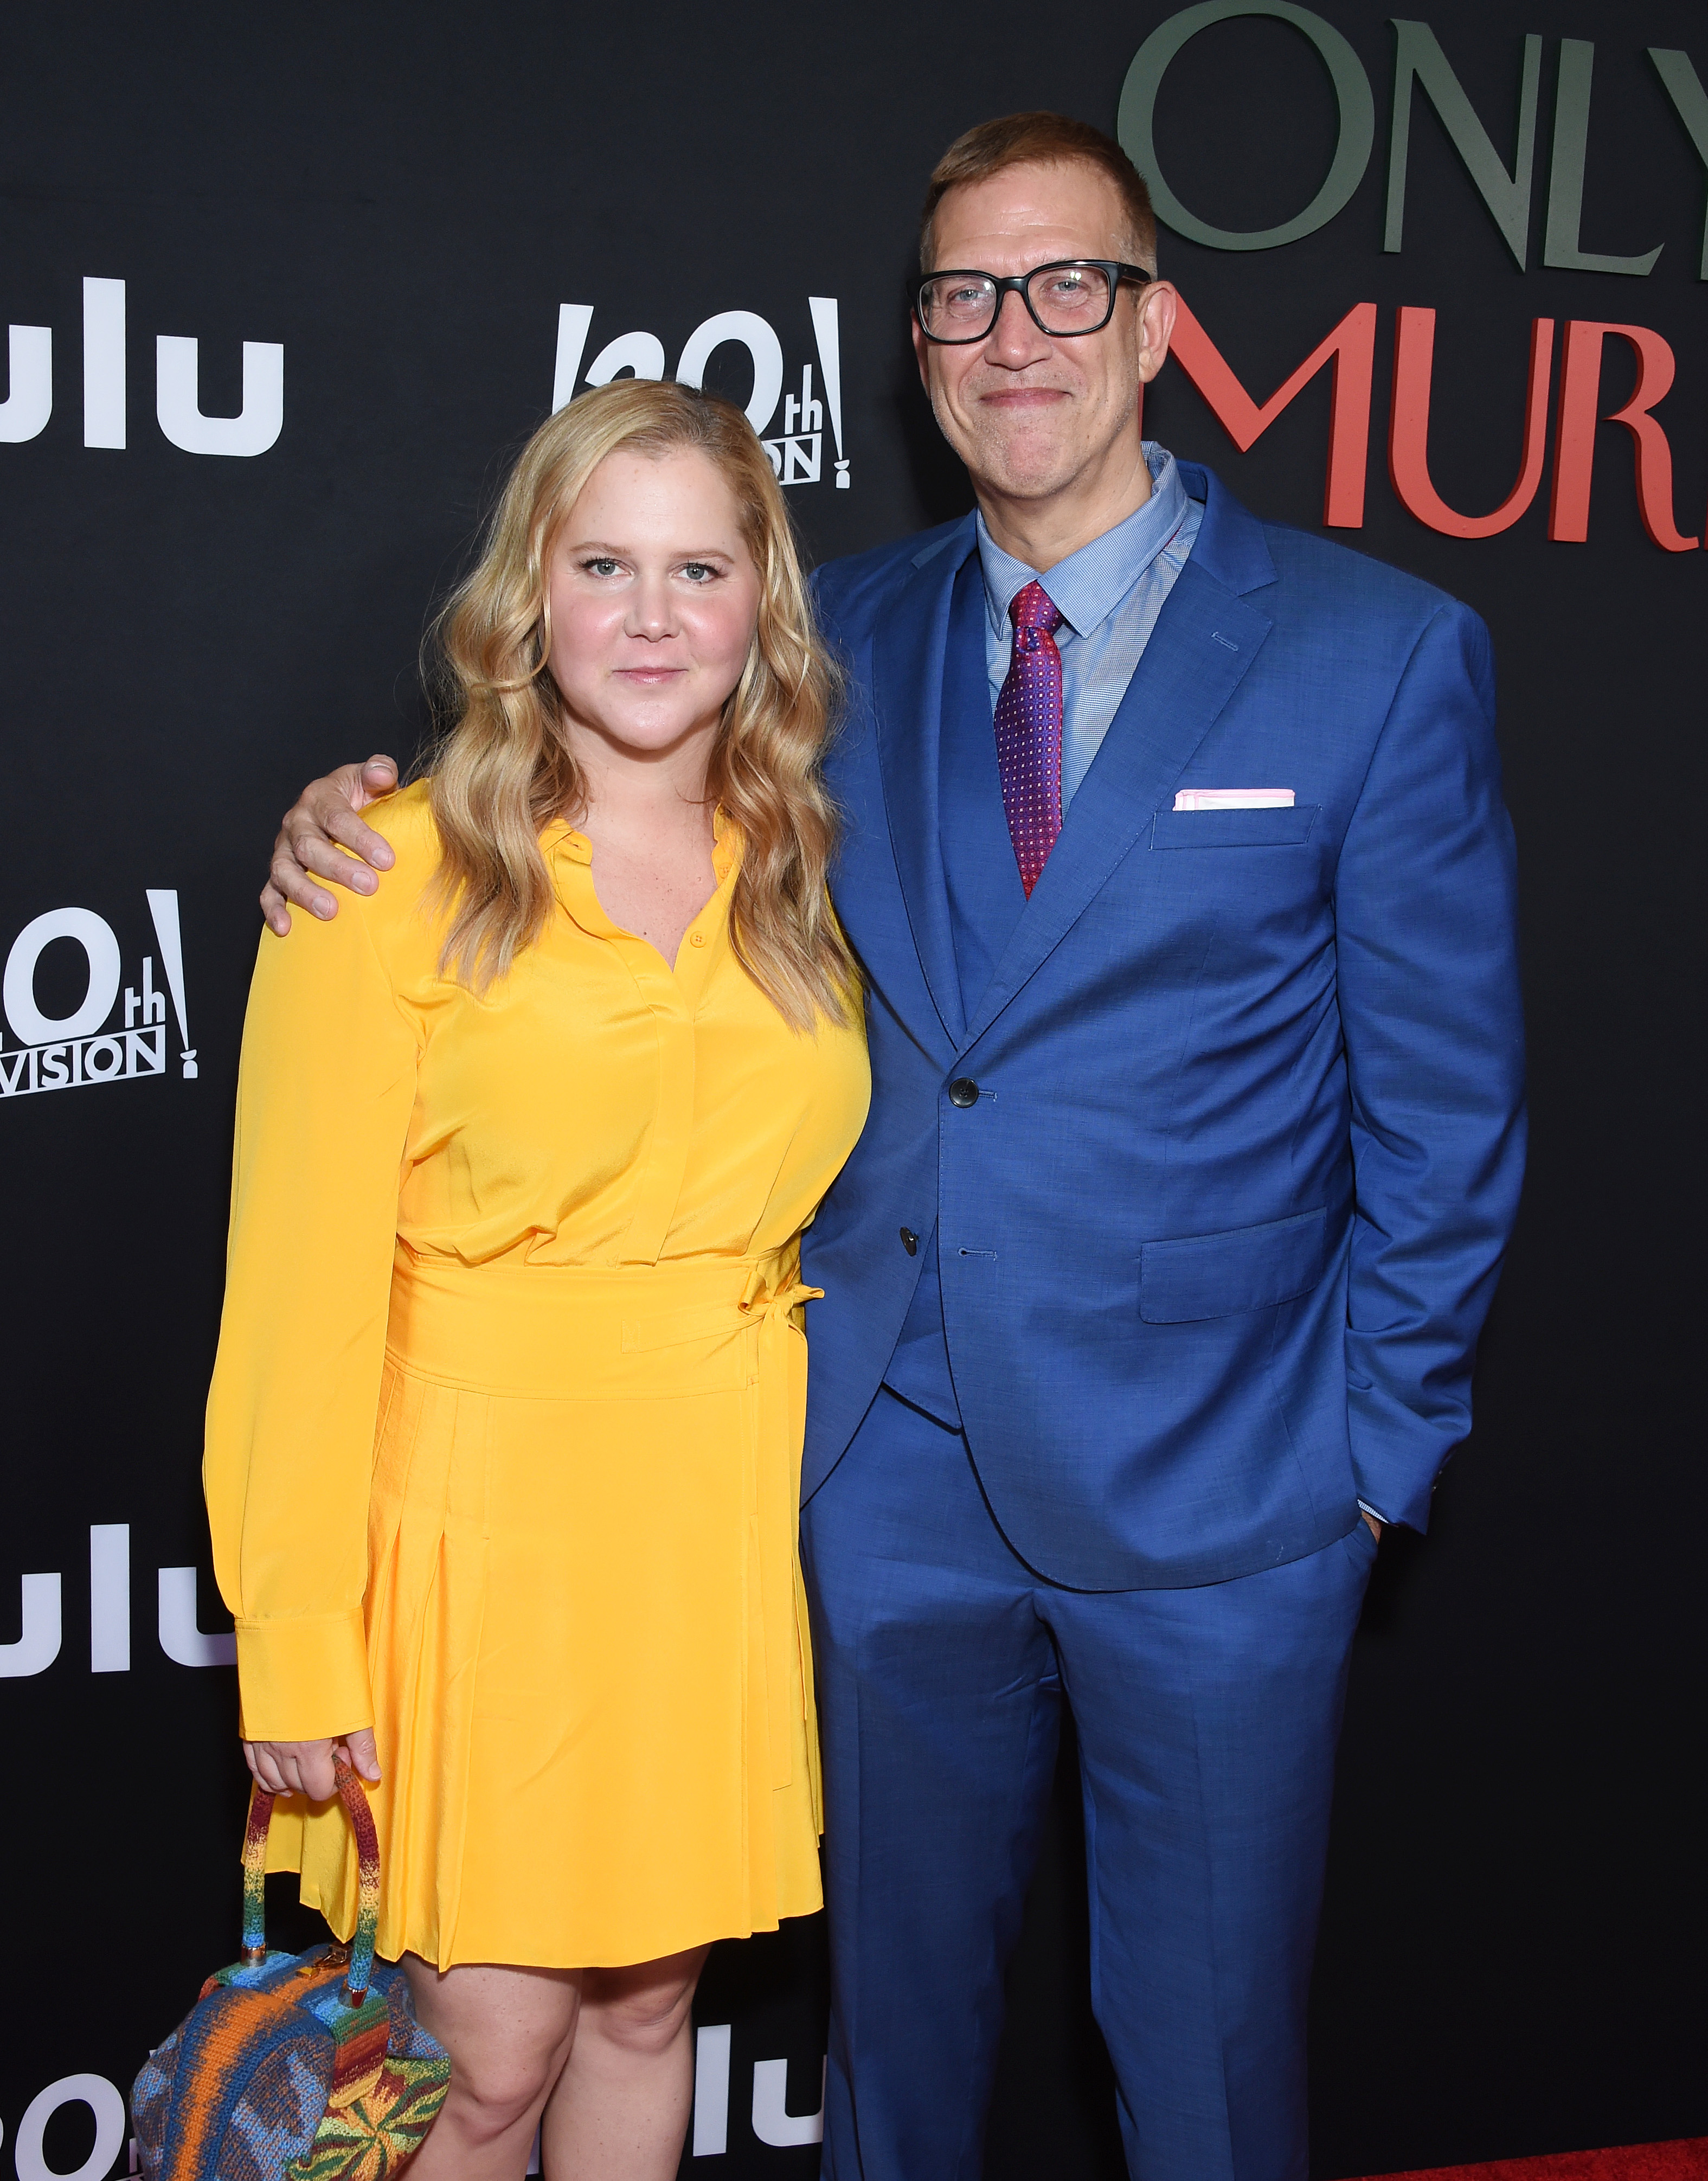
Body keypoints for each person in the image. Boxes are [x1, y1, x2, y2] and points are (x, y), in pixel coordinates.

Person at [259, 112, 1525, 2181]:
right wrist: (345, 829)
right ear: (921, 350)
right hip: (873, 1488)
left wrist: (1375, 1462)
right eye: (962, 295)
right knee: (891, 2079)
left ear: (1160, 329)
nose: (1012, 335)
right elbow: (573, 768)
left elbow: (1450, 1102)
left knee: (1205, 2075)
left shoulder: (1371, 655)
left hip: (1229, 1501)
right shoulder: (823, 644)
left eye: (1067, 286)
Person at [204, 377, 869, 2181]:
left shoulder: (802, 869)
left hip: (704, 1523)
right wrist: (296, 1639)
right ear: (530, 598)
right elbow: (296, 1298)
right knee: (483, 2058)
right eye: (603, 564)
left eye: (700, 569)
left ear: (759, 608)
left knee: (650, 2011)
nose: (653, 617)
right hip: (475, 1532)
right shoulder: (386, 876)